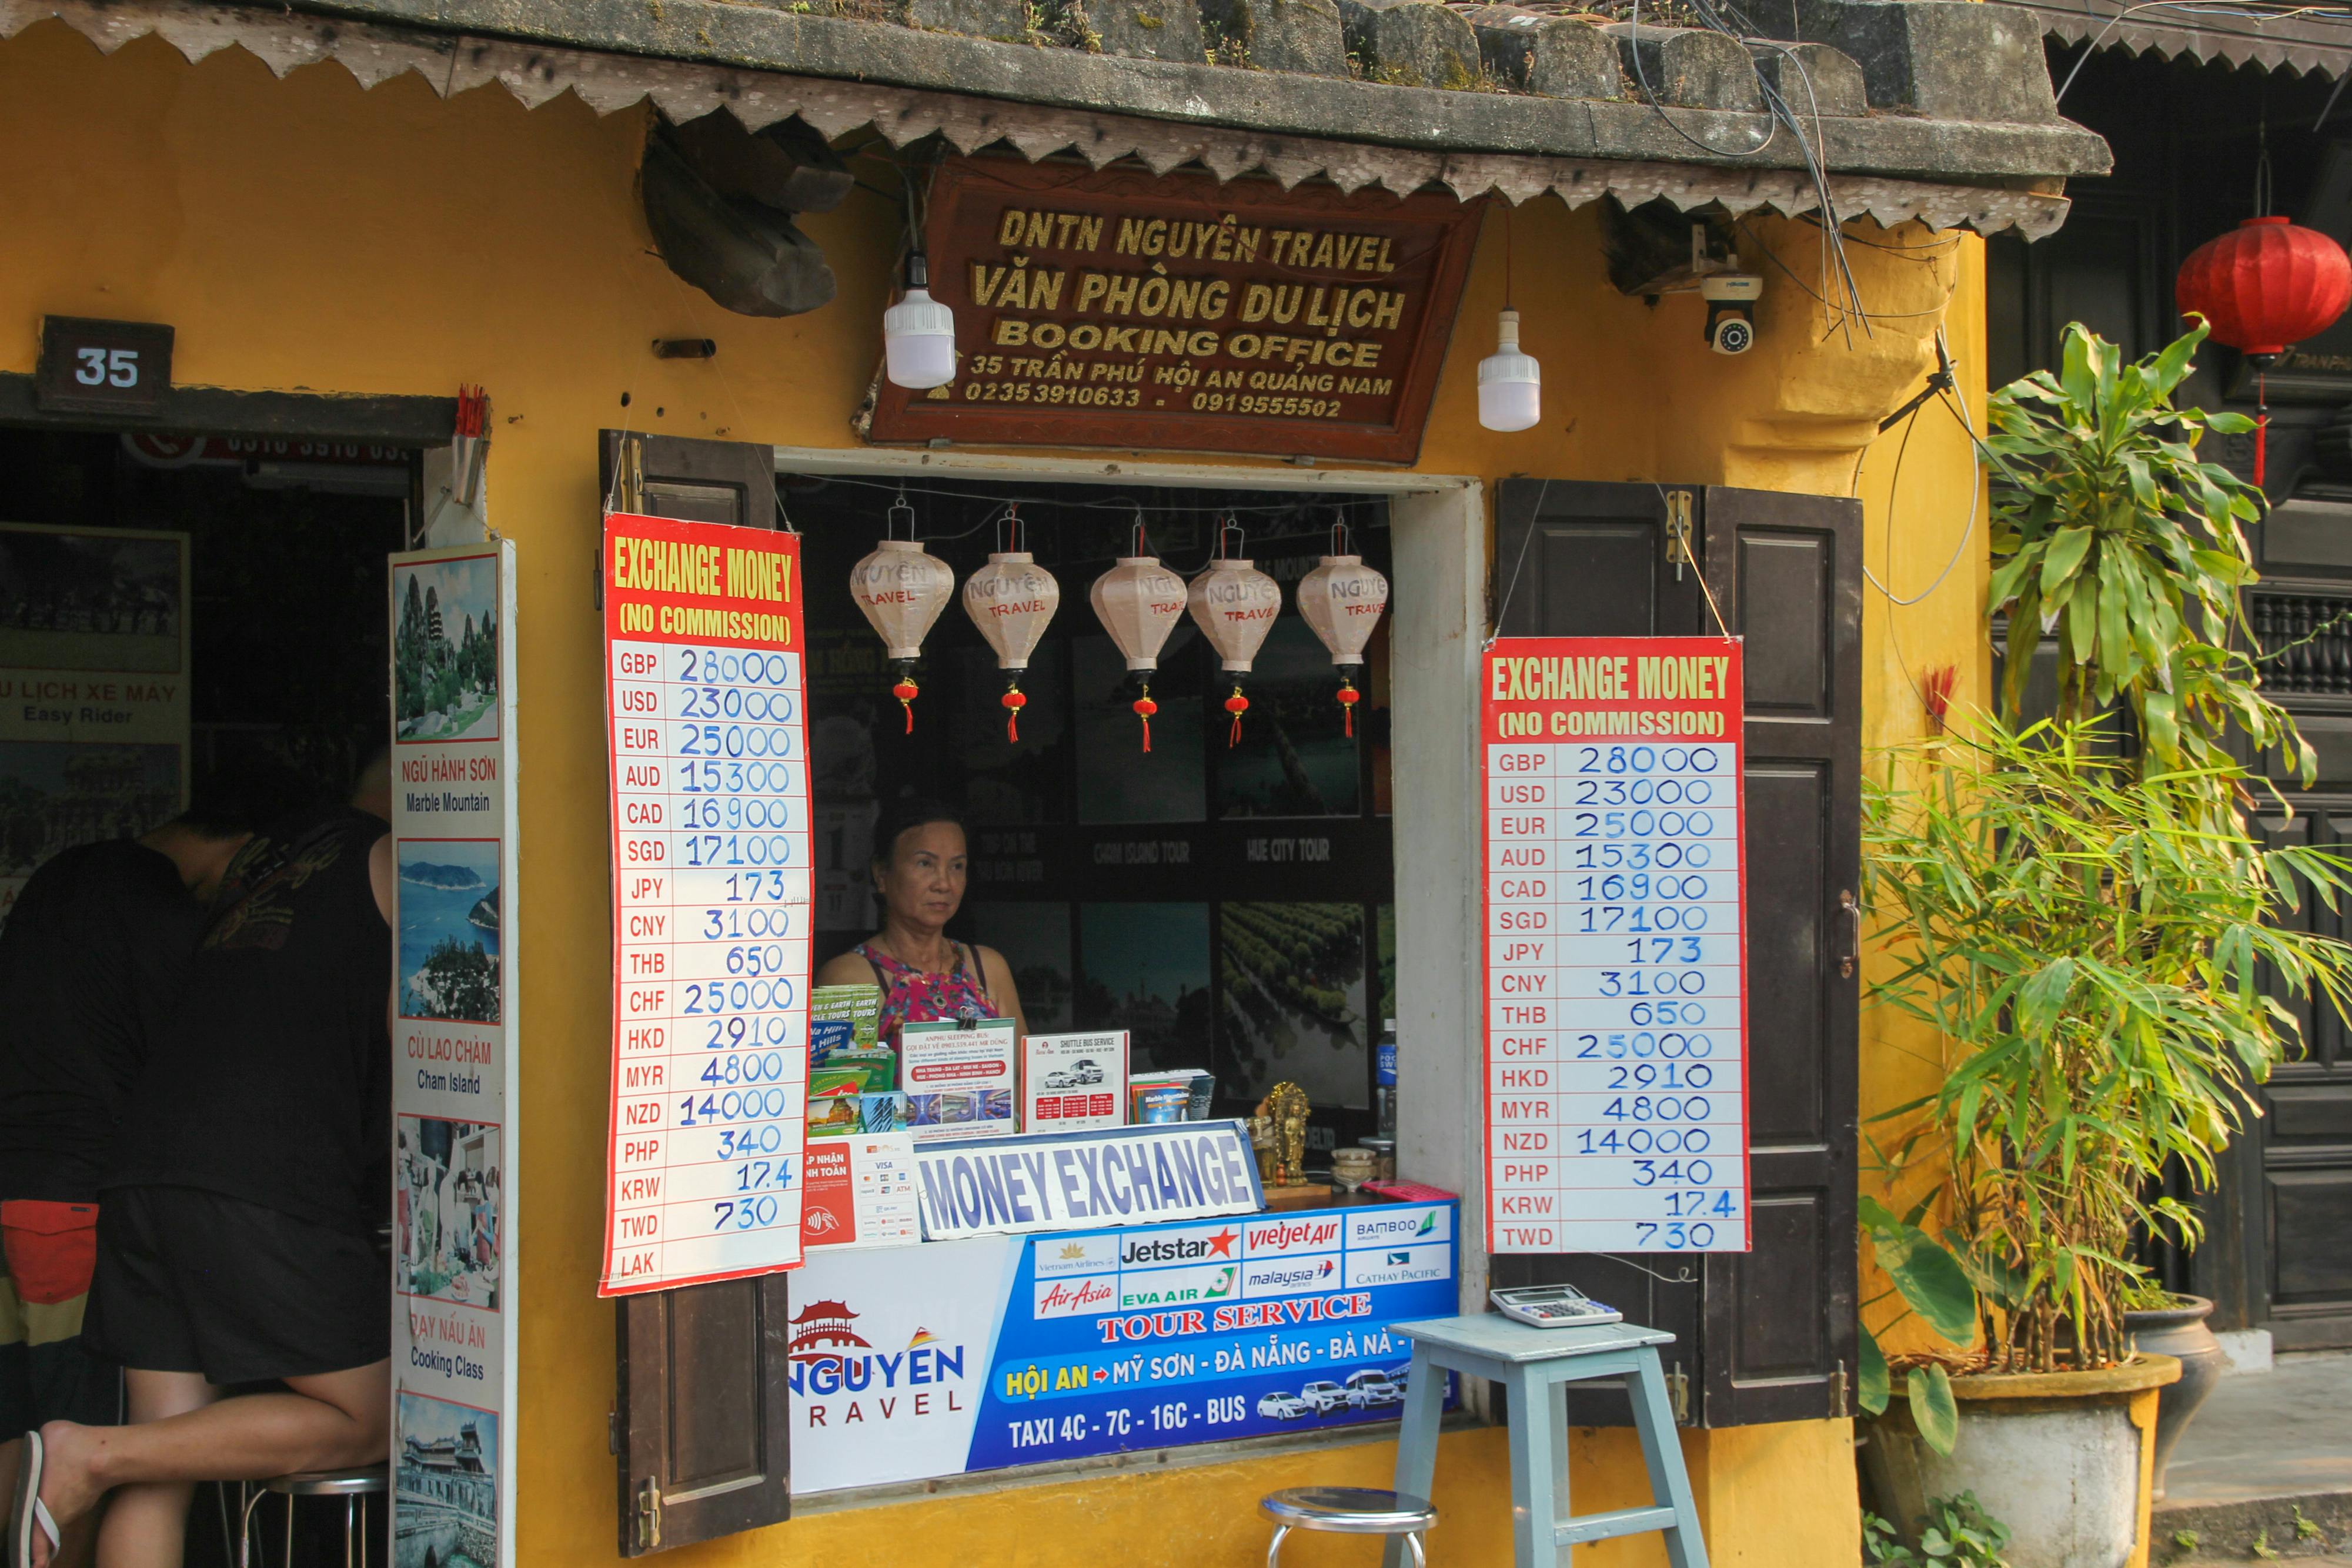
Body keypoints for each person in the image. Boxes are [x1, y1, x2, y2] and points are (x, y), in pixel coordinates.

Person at [12, 755, 394, 1568]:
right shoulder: (392, 857)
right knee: (370, 1417)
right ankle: (87, 1454)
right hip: (263, 1175)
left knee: (169, 1451)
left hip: (142, 1167)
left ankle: (99, 1455)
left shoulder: (256, 870)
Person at [814, 797, 1028, 1046]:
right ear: (881, 874)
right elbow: (836, 1082)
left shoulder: (988, 968)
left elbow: (1022, 1074)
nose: (944, 884)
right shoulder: (849, 978)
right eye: (925, 863)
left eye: (957, 866)